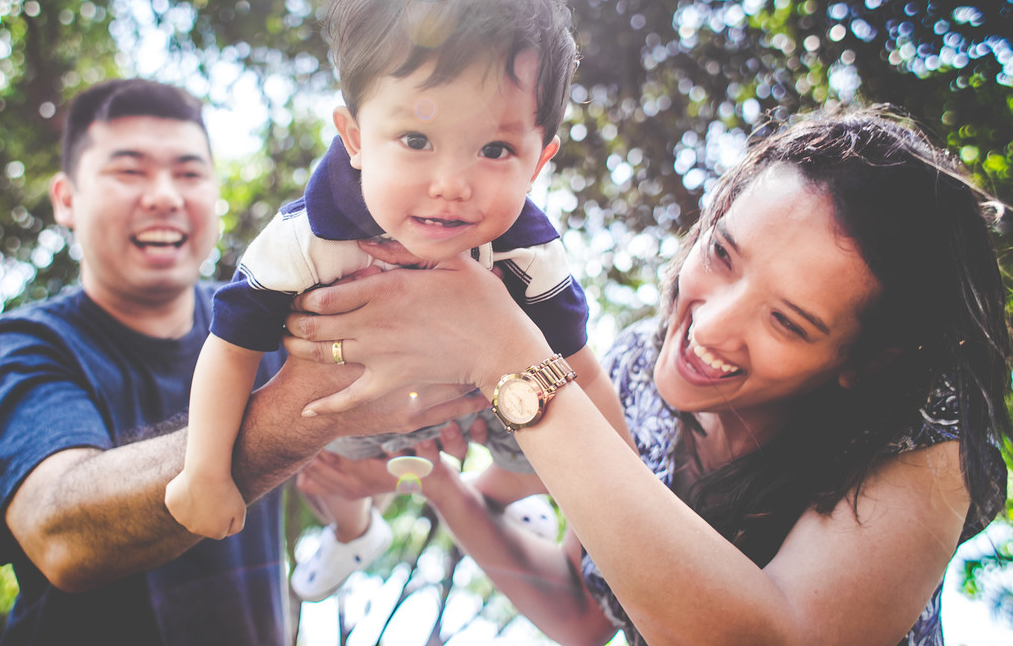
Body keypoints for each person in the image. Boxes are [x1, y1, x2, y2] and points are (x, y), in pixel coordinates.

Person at [285, 106, 1013, 645]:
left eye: (788, 322)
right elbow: (577, 613)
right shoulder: (635, 368)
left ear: (862, 363)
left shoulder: (920, 428)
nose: (711, 326)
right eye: (722, 255)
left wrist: (509, 352)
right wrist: (436, 481)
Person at [163, 0, 620, 604]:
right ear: (353, 135)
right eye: (415, 140)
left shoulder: (528, 252)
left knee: (540, 422)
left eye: (495, 149)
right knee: (317, 467)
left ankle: (502, 494)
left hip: (472, 409)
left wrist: (627, 495)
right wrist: (203, 470)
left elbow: (582, 376)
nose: (451, 185)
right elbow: (230, 348)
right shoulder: (305, 239)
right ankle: (354, 532)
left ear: (540, 161)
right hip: (346, 413)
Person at [0, 78, 482, 646]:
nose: (164, 196)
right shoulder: (20, 347)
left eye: (188, 173)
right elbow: (59, 535)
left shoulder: (285, 317)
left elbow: (352, 474)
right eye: (128, 172)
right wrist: (312, 409)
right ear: (65, 198)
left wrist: (400, 440)